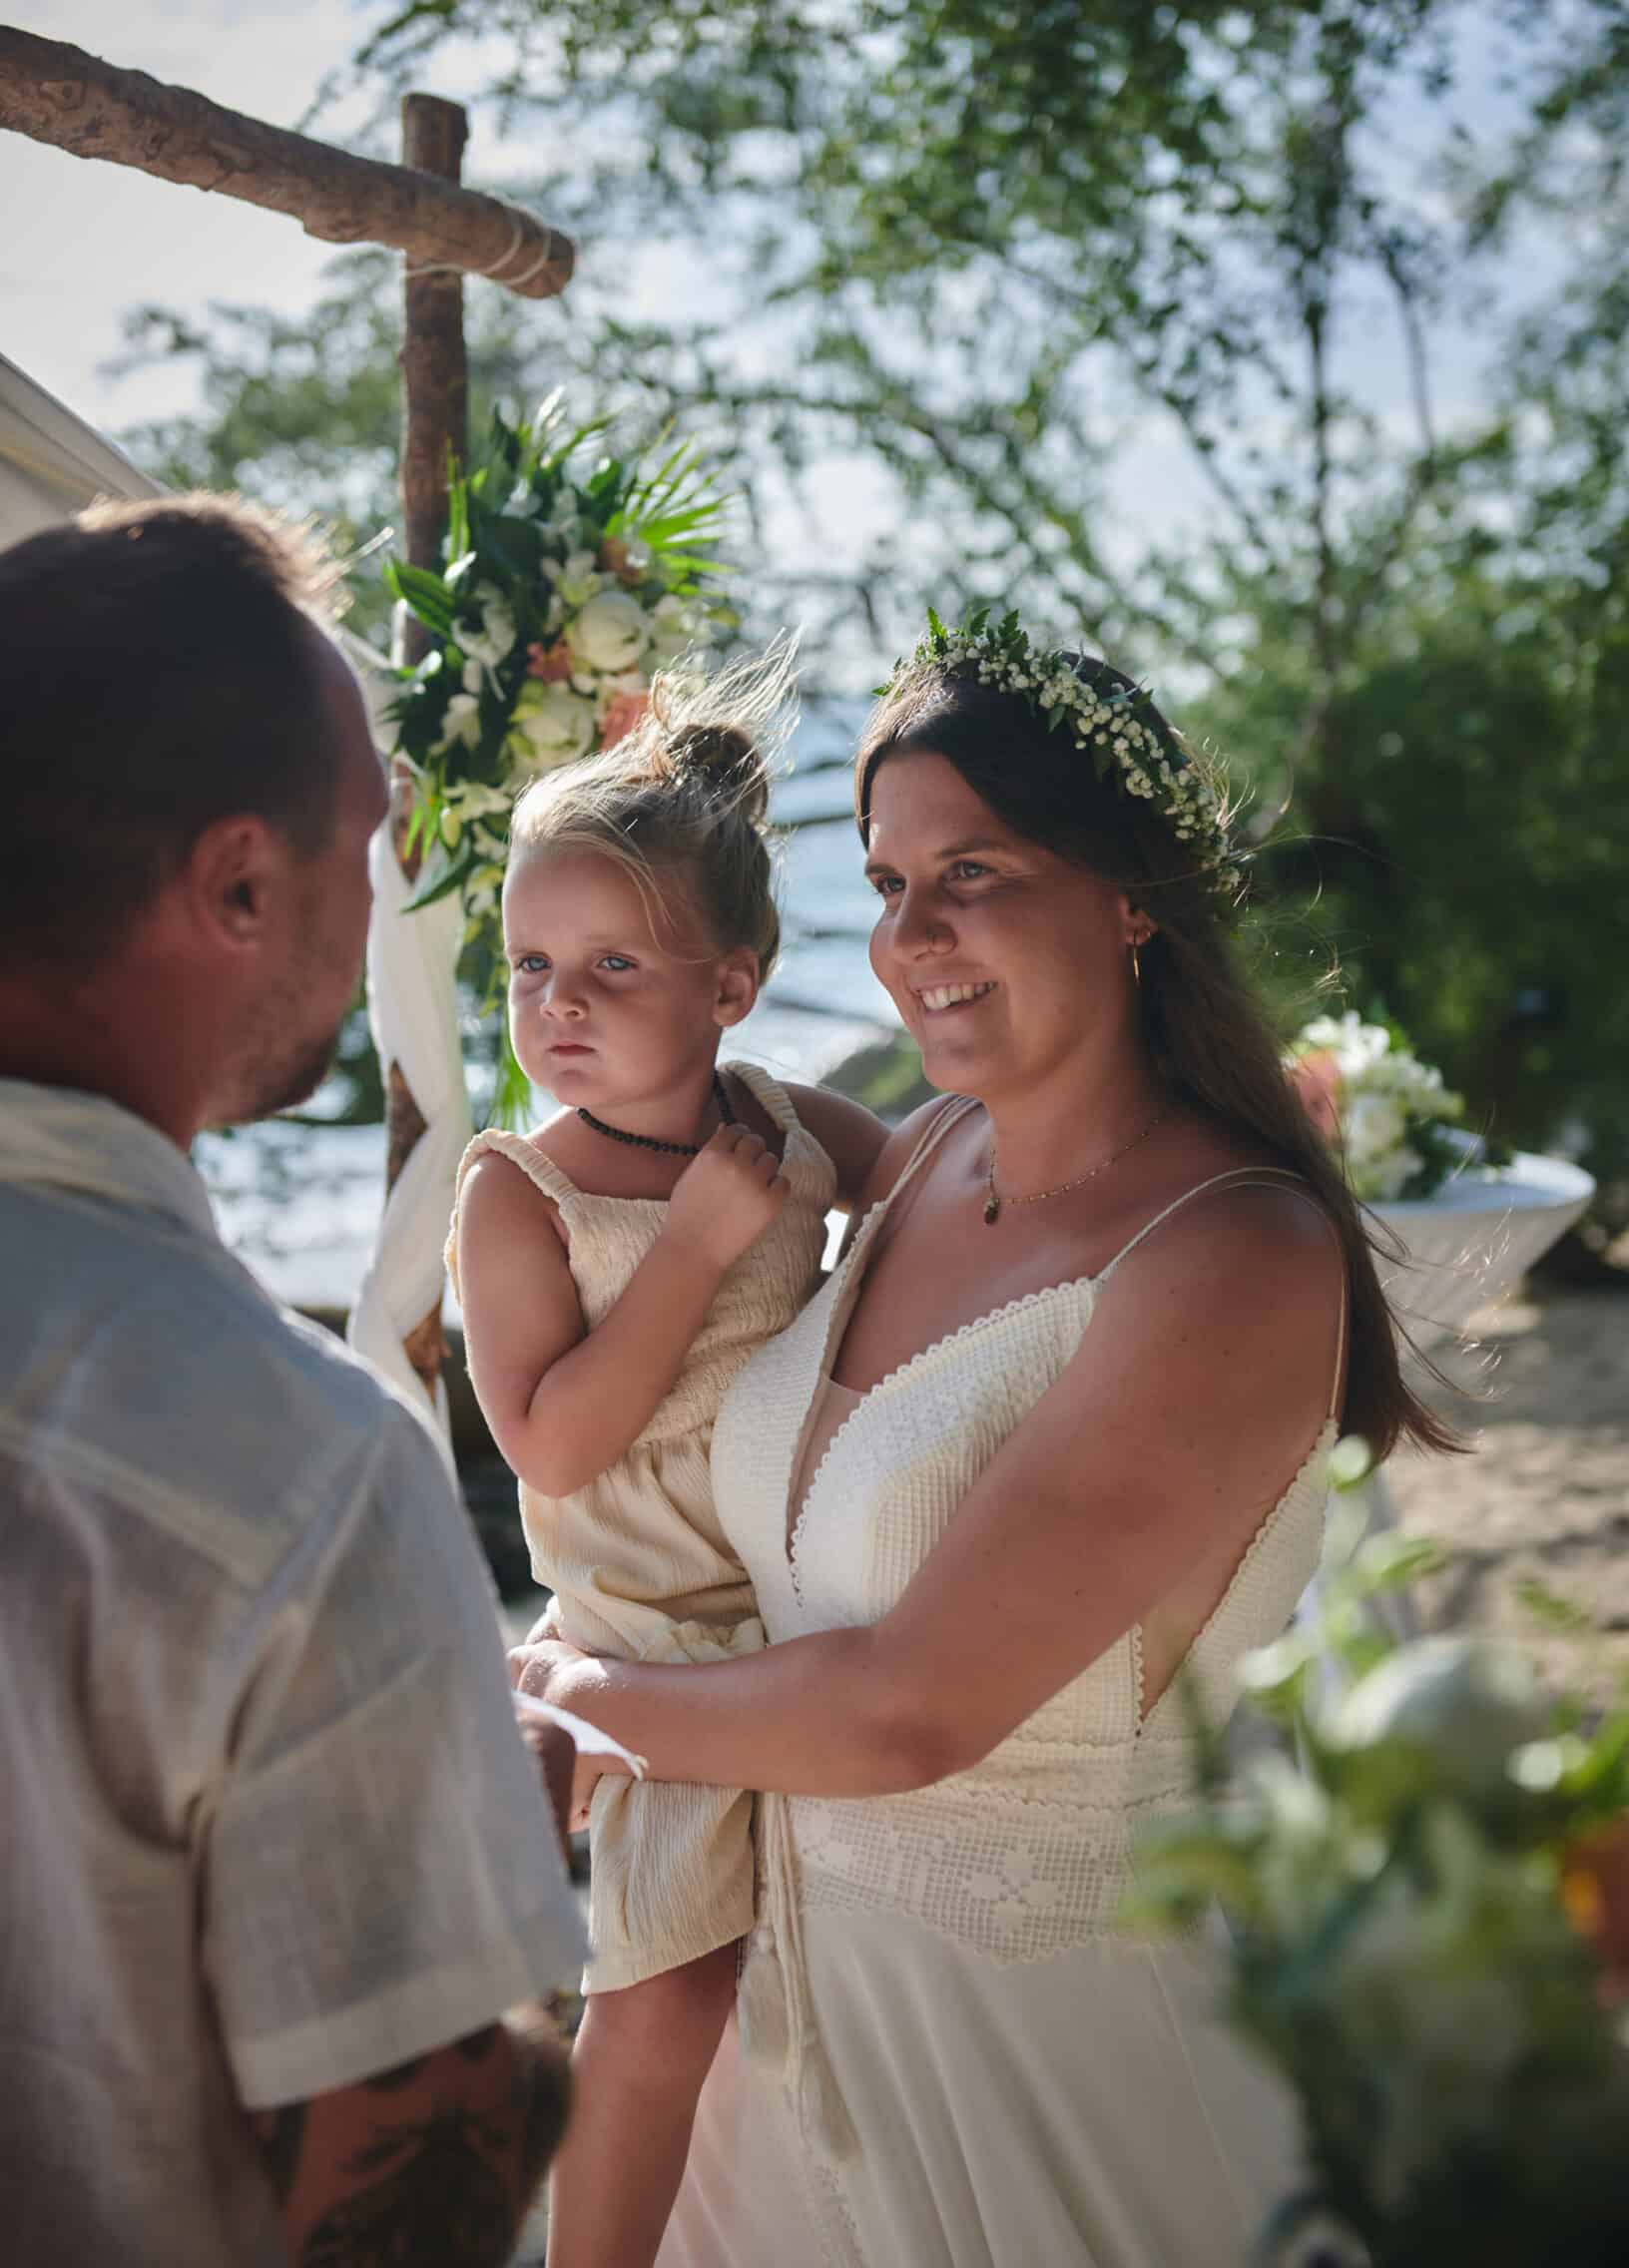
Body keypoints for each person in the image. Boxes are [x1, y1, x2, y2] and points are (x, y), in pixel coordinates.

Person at [513, 613, 1453, 2268]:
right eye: (885, 885)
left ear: (1130, 893)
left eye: (977, 873)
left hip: (1048, 2064)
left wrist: (591, 1704)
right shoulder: (916, 1154)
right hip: (769, 2027)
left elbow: (908, 1710)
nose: (913, 936)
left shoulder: (1233, 1258)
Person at [0, 496, 587, 2268]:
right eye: (374, 848)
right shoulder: (299, 1478)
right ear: (244, 882)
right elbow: (405, 2204)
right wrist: (481, 1836)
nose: (375, 904)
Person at [446, 674, 886, 2268]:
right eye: (530, 968)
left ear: (736, 986)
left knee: (832, 1960)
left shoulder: (783, 1122)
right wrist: (696, 1250)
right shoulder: (521, 1199)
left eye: (613, 967)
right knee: (665, 1991)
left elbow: (938, 1187)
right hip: (651, 1631)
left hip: (816, 1588)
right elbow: (551, 1441)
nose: (559, 1002)